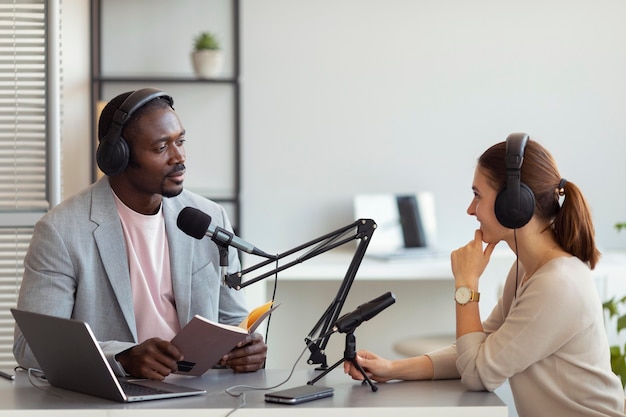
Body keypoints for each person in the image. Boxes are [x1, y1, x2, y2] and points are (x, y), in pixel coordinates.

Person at [344, 134, 625, 417]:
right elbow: (475, 352)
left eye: (477, 195)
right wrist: (392, 369)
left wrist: (466, 286)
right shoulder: (527, 270)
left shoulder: (557, 284)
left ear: (513, 204)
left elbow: (477, 373)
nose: (470, 209)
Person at [13, 88, 267, 381]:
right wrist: (123, 358)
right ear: (117, 157)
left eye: (180, 141)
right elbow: (33, 347)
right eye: (161, 148)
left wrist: (246, 347)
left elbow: (232, 320)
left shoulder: (209, 219)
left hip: (201, 394)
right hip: (113, 397)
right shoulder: (61, 231)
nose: (179, 157)